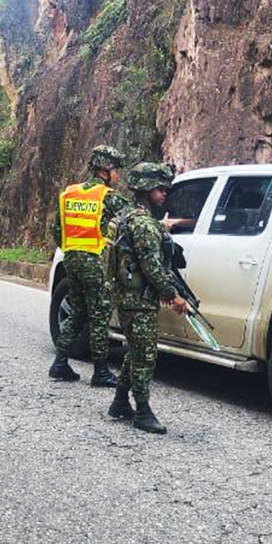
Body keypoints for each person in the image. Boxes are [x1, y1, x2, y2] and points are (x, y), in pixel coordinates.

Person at [107, 163, 190, 434]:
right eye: (159, 188)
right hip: (138, 299)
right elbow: (152, 267)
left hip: (128, 296)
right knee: (145, 355)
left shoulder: (129, 216)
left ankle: (120, 402)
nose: (164, 192)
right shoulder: (143, 224)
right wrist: (173, 296)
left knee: (135, 350)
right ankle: (142, 411)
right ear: (145, 189)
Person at [49, 145, 130, 386]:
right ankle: (101, 371)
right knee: (99, 314)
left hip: (71, 258)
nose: (118, 176)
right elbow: (133, 219)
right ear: (105, 170)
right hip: (95, 260)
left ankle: (60, 362)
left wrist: (72, 250)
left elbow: (56, 230)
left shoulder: (70, 193)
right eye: (116, 171)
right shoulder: (108, 197)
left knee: (79, 310)